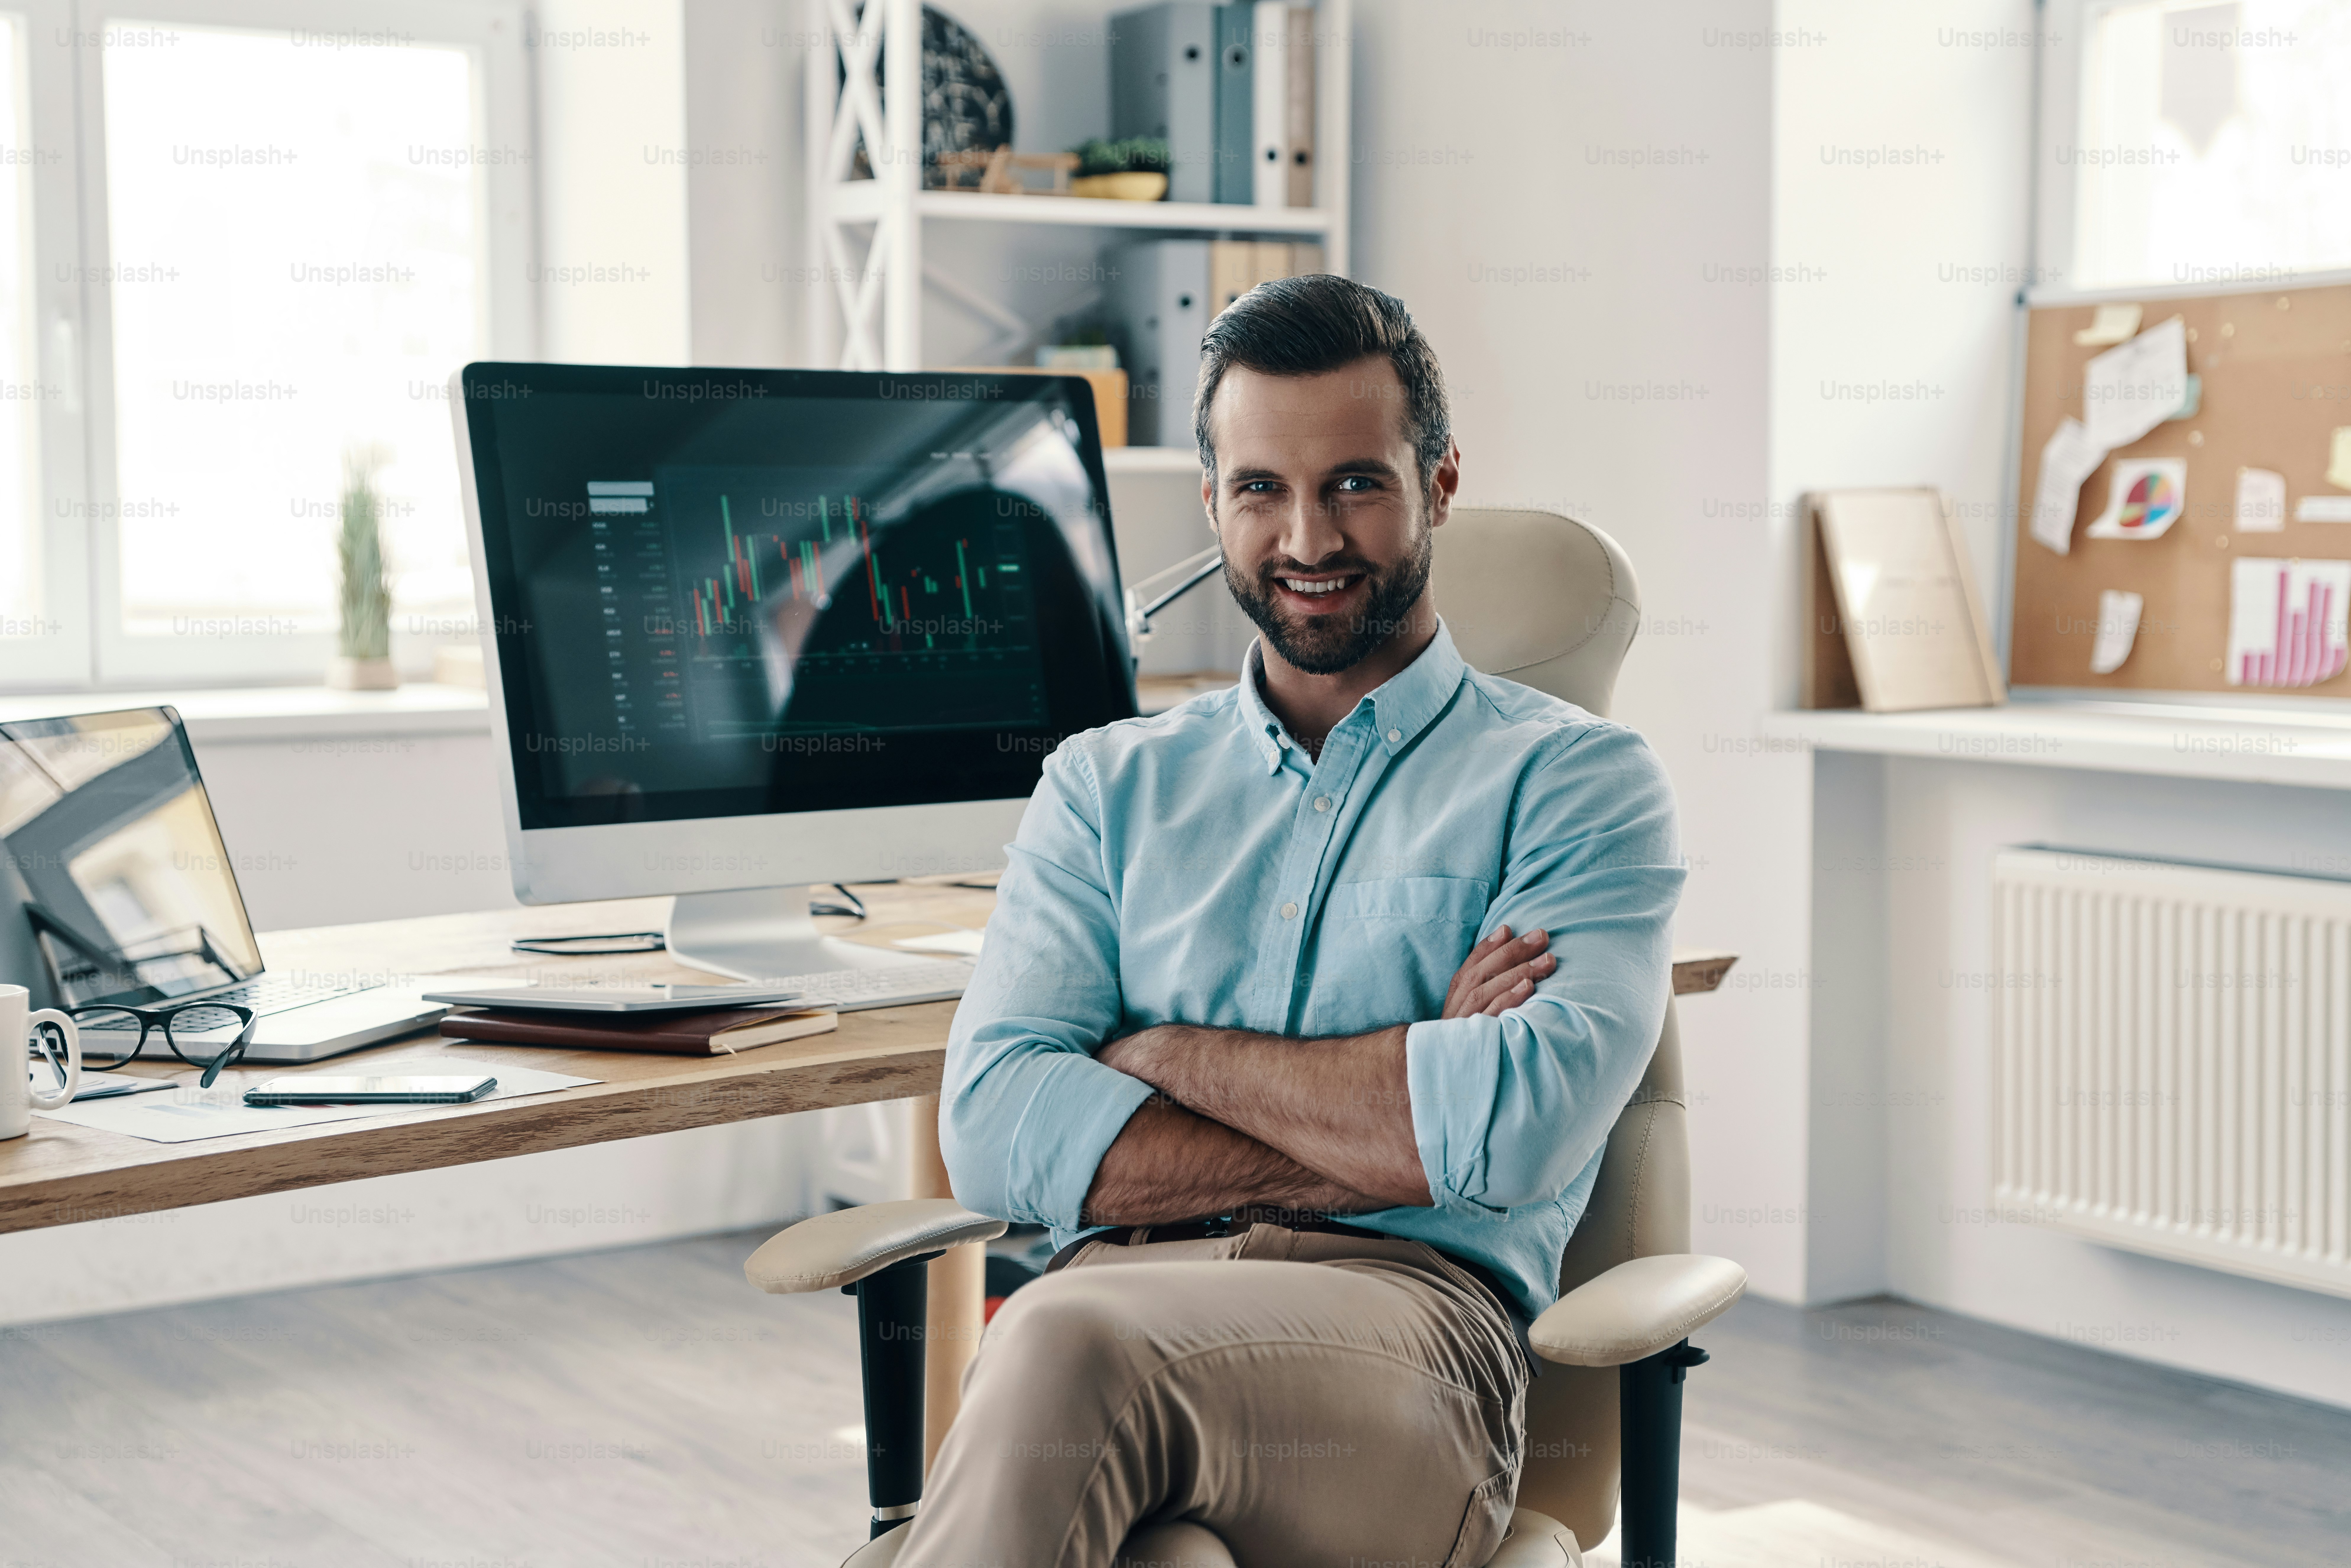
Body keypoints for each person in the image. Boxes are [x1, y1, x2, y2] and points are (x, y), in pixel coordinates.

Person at [902, 275, 1684, 1568]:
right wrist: (1401, 1112)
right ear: (1211, 504)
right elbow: (993, 1137)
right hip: (1124, 1307)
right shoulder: (1105, 787)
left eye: (1356, 485)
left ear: (1436, 486)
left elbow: (1522, 1124)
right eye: (1260, 488)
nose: (1307, 537)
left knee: (1046, 1336)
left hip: (1405, 1343)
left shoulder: (1579, 782)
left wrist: (1159, 1056)